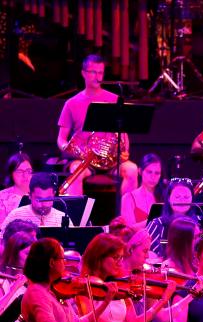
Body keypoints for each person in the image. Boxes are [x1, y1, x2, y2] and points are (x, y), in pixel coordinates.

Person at [55, 55, 138, 197]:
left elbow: (123, 133)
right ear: (83, 73)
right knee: (75, 171)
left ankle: (125, 217)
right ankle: (77, 218)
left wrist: (124, 151)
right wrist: (69, 148)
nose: (97, 76)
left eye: (100, 73)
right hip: (85, 160)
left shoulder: (114, 99)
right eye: (93, 72)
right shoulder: (71, 103)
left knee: (132, 169)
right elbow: (61, 139)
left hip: (111, 160)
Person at [145, 178, 202, 260]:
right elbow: (149, 255)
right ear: (168, 198)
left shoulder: (201, 221)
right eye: (177, 196)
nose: (182, 200)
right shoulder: (156, 224)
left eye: (186, 197)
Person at [0, 173, 69, 231]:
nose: (44, 204)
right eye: (39, 200)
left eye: (48, 199)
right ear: (30, 195)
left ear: (53, 195)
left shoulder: (61, 217)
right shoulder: (16, 215)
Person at [120, 154, 162, 228]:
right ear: (140, 171)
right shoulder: (128, 198)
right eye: (149, 172)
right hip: (137, 239)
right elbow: (128, 230)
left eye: (157, 173)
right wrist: (153, 221)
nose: (153, 177)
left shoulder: (165, 197)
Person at [0, 153, 33, 223]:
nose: (25, 175)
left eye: (28, 171)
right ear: (11, 174)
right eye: (20, 171)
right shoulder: (2, 197)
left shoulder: (40, 194)